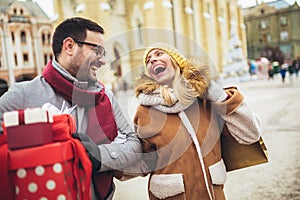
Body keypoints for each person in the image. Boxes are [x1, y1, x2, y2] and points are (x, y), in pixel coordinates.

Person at [0, 17, 142, 200]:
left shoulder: (105, 96)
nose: (103, 61)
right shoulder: (24, 94)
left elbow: (134, 145)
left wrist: (98, 156)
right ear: (69, 46)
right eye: (97, 51)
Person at [133, 43, 261, 200]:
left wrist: (222, 98)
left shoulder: (206, 101)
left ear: (177, 62)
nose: (152, 60)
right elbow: (143, 162)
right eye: (148, 60)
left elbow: (250, 134)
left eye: (159, 54)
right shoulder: (145, 112)